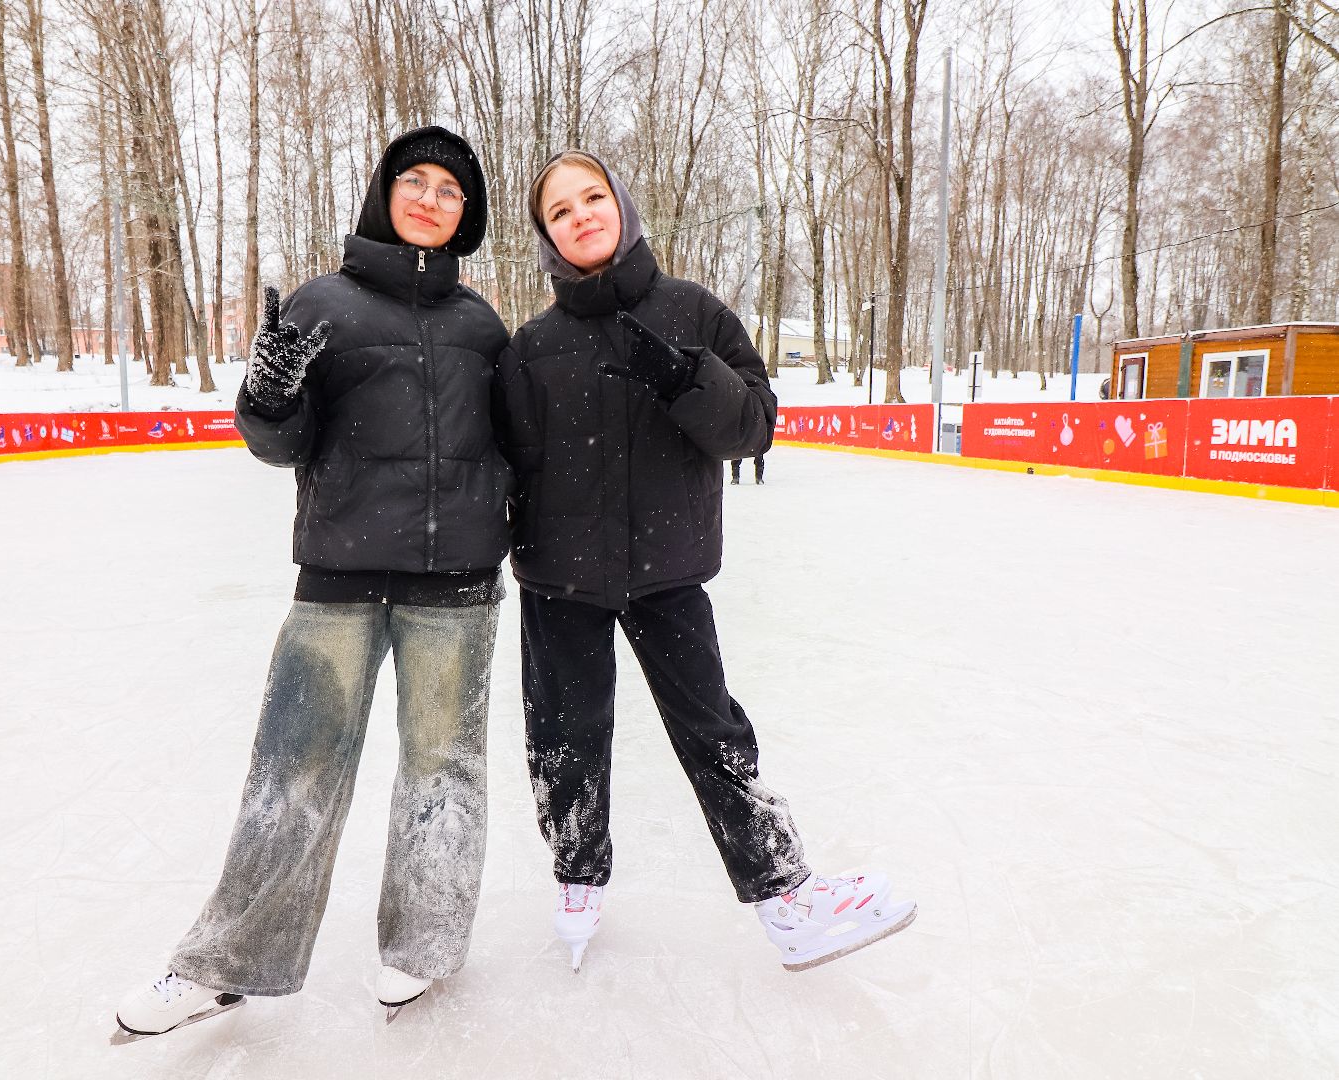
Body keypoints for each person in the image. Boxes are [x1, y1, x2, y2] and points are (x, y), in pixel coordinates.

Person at [116, 126, 511, 1037]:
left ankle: (425, 948)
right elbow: (280, 445)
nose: (429, 199)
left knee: (444, 773)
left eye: (450, 192)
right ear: (384, 193)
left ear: (466, 216)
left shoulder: (481, 325)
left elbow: (515, 449)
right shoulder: (323, 303)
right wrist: (269, 395)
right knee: (292, 767)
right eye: (413, 181)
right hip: (336, 578)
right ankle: (230, 963)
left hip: (455, 589)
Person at [494, 150, 915, 974]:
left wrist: (691, 379)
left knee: (715, 736)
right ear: (546, 236)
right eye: (560, 211)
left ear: (623, 203)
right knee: (563, 739)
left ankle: (786, 898)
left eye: (593, 197)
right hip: (560, 581)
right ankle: (577, 881)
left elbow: (754, 425)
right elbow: (505, 463)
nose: (581, 215)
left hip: (668, 572)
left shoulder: (694, 311)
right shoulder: (530, 345)